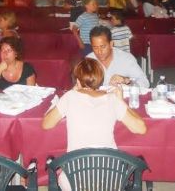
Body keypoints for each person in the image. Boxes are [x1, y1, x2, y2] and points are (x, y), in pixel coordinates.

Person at [42, 58, 146, 189]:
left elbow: (46, 124)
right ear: (100, 79)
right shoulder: (112, 99)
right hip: (111, 178)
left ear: (78, 81)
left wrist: (71, 91)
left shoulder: (69, 97)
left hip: (74, 180)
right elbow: (141, 128)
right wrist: (121, 101)